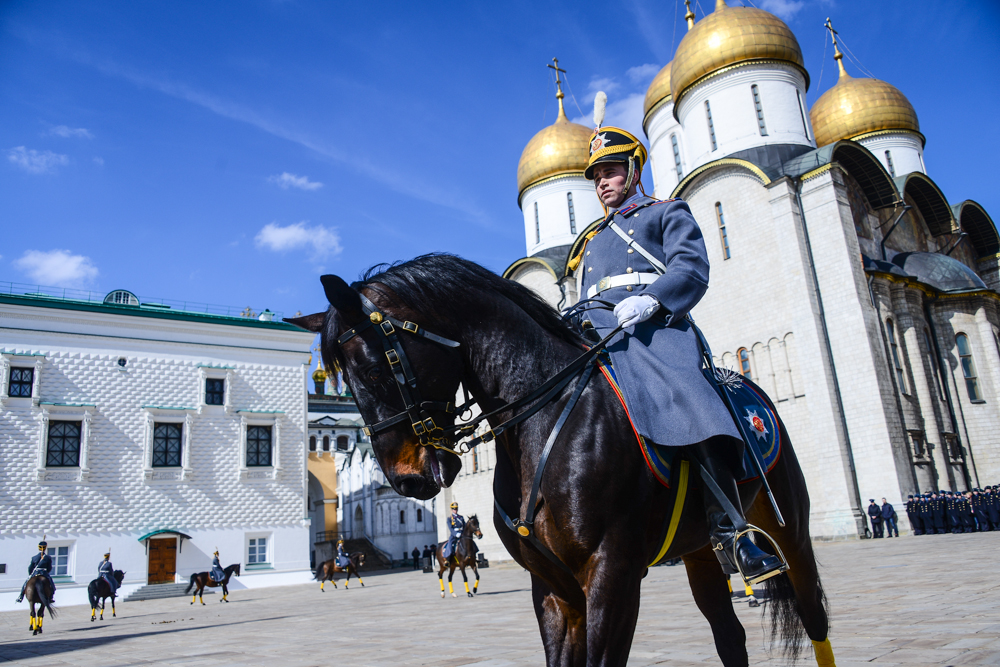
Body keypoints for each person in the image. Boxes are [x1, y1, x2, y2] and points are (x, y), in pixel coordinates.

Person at [569, 106, 783, 584]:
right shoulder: (589, 242)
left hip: (650, 328)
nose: (603, 182)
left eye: (612, 170)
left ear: (634, 170)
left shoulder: (665, 213)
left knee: (685, 394)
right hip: (593, 328)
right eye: (597, 175)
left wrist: (651, 301)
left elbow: (690, 269)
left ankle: (733, 531)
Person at [16, 539, 55, 604]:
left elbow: (30, 567)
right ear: (45, 548)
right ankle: (51, 597)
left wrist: (30, 574)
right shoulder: (48, 557)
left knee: (25, 584)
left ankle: (21, 596)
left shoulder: (34, 557)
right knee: (51, 585)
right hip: (44, 573)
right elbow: (49, 568)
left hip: (35, 572)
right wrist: (47, 572)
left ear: (39, 548)